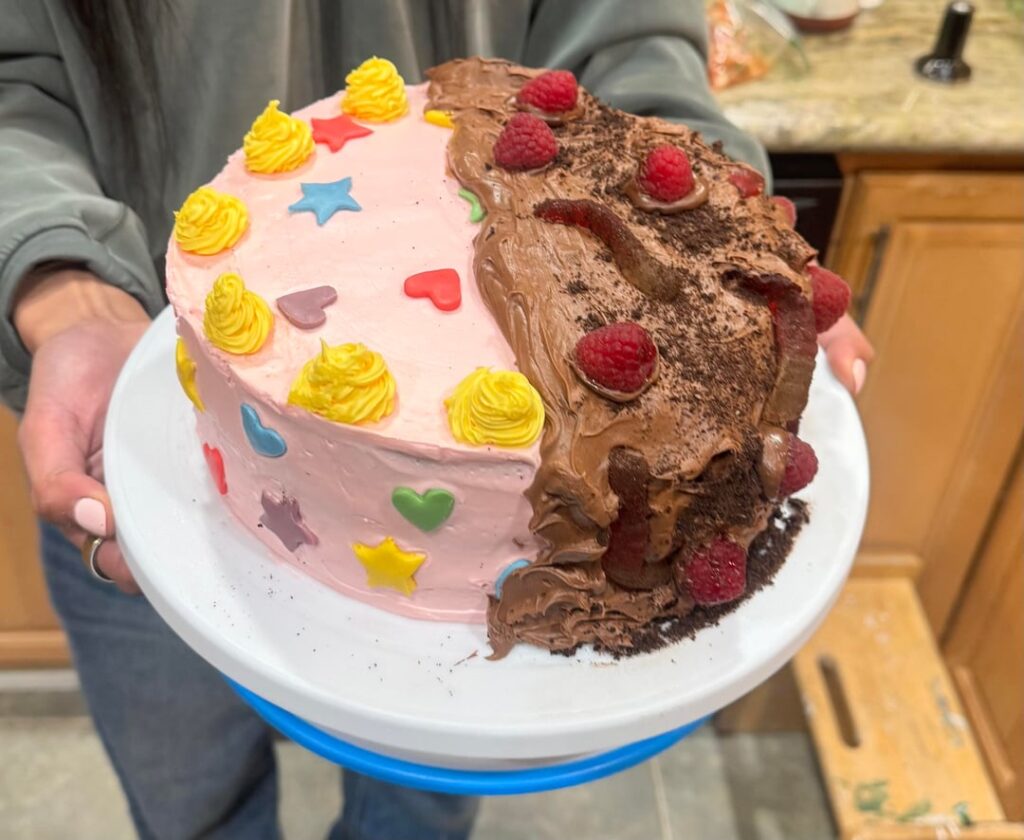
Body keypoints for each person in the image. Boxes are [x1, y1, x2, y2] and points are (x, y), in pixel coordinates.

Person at [0, 2, 874, 838]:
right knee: (187, 798)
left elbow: (631, 40)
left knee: (423, 811)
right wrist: (59, 275)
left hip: (542, 218)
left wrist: (715, 237)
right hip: (150, 438)